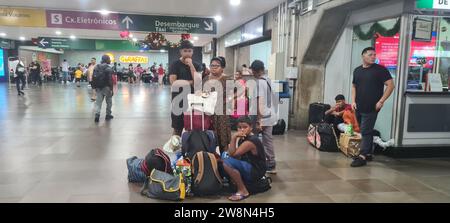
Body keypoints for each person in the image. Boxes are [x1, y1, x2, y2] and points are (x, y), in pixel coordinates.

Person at [351, 47, 395, 167]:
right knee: (365, 130)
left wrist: (381, 101)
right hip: (358, 106)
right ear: (363, 56)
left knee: (365, 131)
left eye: (374, 55)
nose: (373, 57)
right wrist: (353, 101)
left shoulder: (380, 70)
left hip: (372, 107)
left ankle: (362, 156)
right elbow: (354, 86)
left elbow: (391, 85)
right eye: (370, 55)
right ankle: (369, 153)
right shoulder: (357, 70)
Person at [222, 116, 267, 202]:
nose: (242, 130)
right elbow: (233, 154)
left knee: (227, 162)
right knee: (224, 155)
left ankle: (243, 190)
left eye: (245, 127)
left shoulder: (251, 141)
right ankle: (235, 181)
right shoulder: (243, 139)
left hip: (256, 171)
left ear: (251, 127)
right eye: (239, 127)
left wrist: (234, 137)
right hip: (248, 165)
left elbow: (233, 154)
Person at [169, 40, 202, 136]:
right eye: (185, 51)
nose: (187, 53)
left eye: (189, 51)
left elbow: (198, 82)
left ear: (192, 52)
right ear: (181, 52)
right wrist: (191, 82)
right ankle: (175, 148)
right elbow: (173, 83)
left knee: (192, 126)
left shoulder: (196, 65)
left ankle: (189, 148)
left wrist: (191, 65)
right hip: (178, 99)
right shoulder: (175, 64)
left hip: (192, 100)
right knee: (177, 128)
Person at [250, 60, 278, 174]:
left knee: (254, 139)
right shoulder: (270, 81)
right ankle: (271, 163)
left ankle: (256, 162)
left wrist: (259, 120)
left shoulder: (259, 83)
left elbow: (260, 102)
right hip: (270, 114)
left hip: (261, 115)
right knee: (268, 140)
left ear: (255, 71)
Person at [203, 57, 231, 153]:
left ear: (222, 68)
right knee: (210, 133)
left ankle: (224, 158)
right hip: (208, 110)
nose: (214, 67)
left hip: (221, 112)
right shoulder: (206, 78)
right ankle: (211, 157)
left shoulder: (226, 79)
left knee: (222, 135)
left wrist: (229, 99)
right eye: (212, 65)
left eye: (217, 66)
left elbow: (241, 89)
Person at [93, 55, 114, 123]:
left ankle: (97, 115)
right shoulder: (109, 68)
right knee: (109, 102)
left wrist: (95, 87)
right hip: (107, 87)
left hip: (99, 87)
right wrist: (111, 89)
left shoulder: (96, 67)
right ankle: (108, 115)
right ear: (107, 60)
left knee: (98, 102)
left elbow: (93, 78)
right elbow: (110, 80)